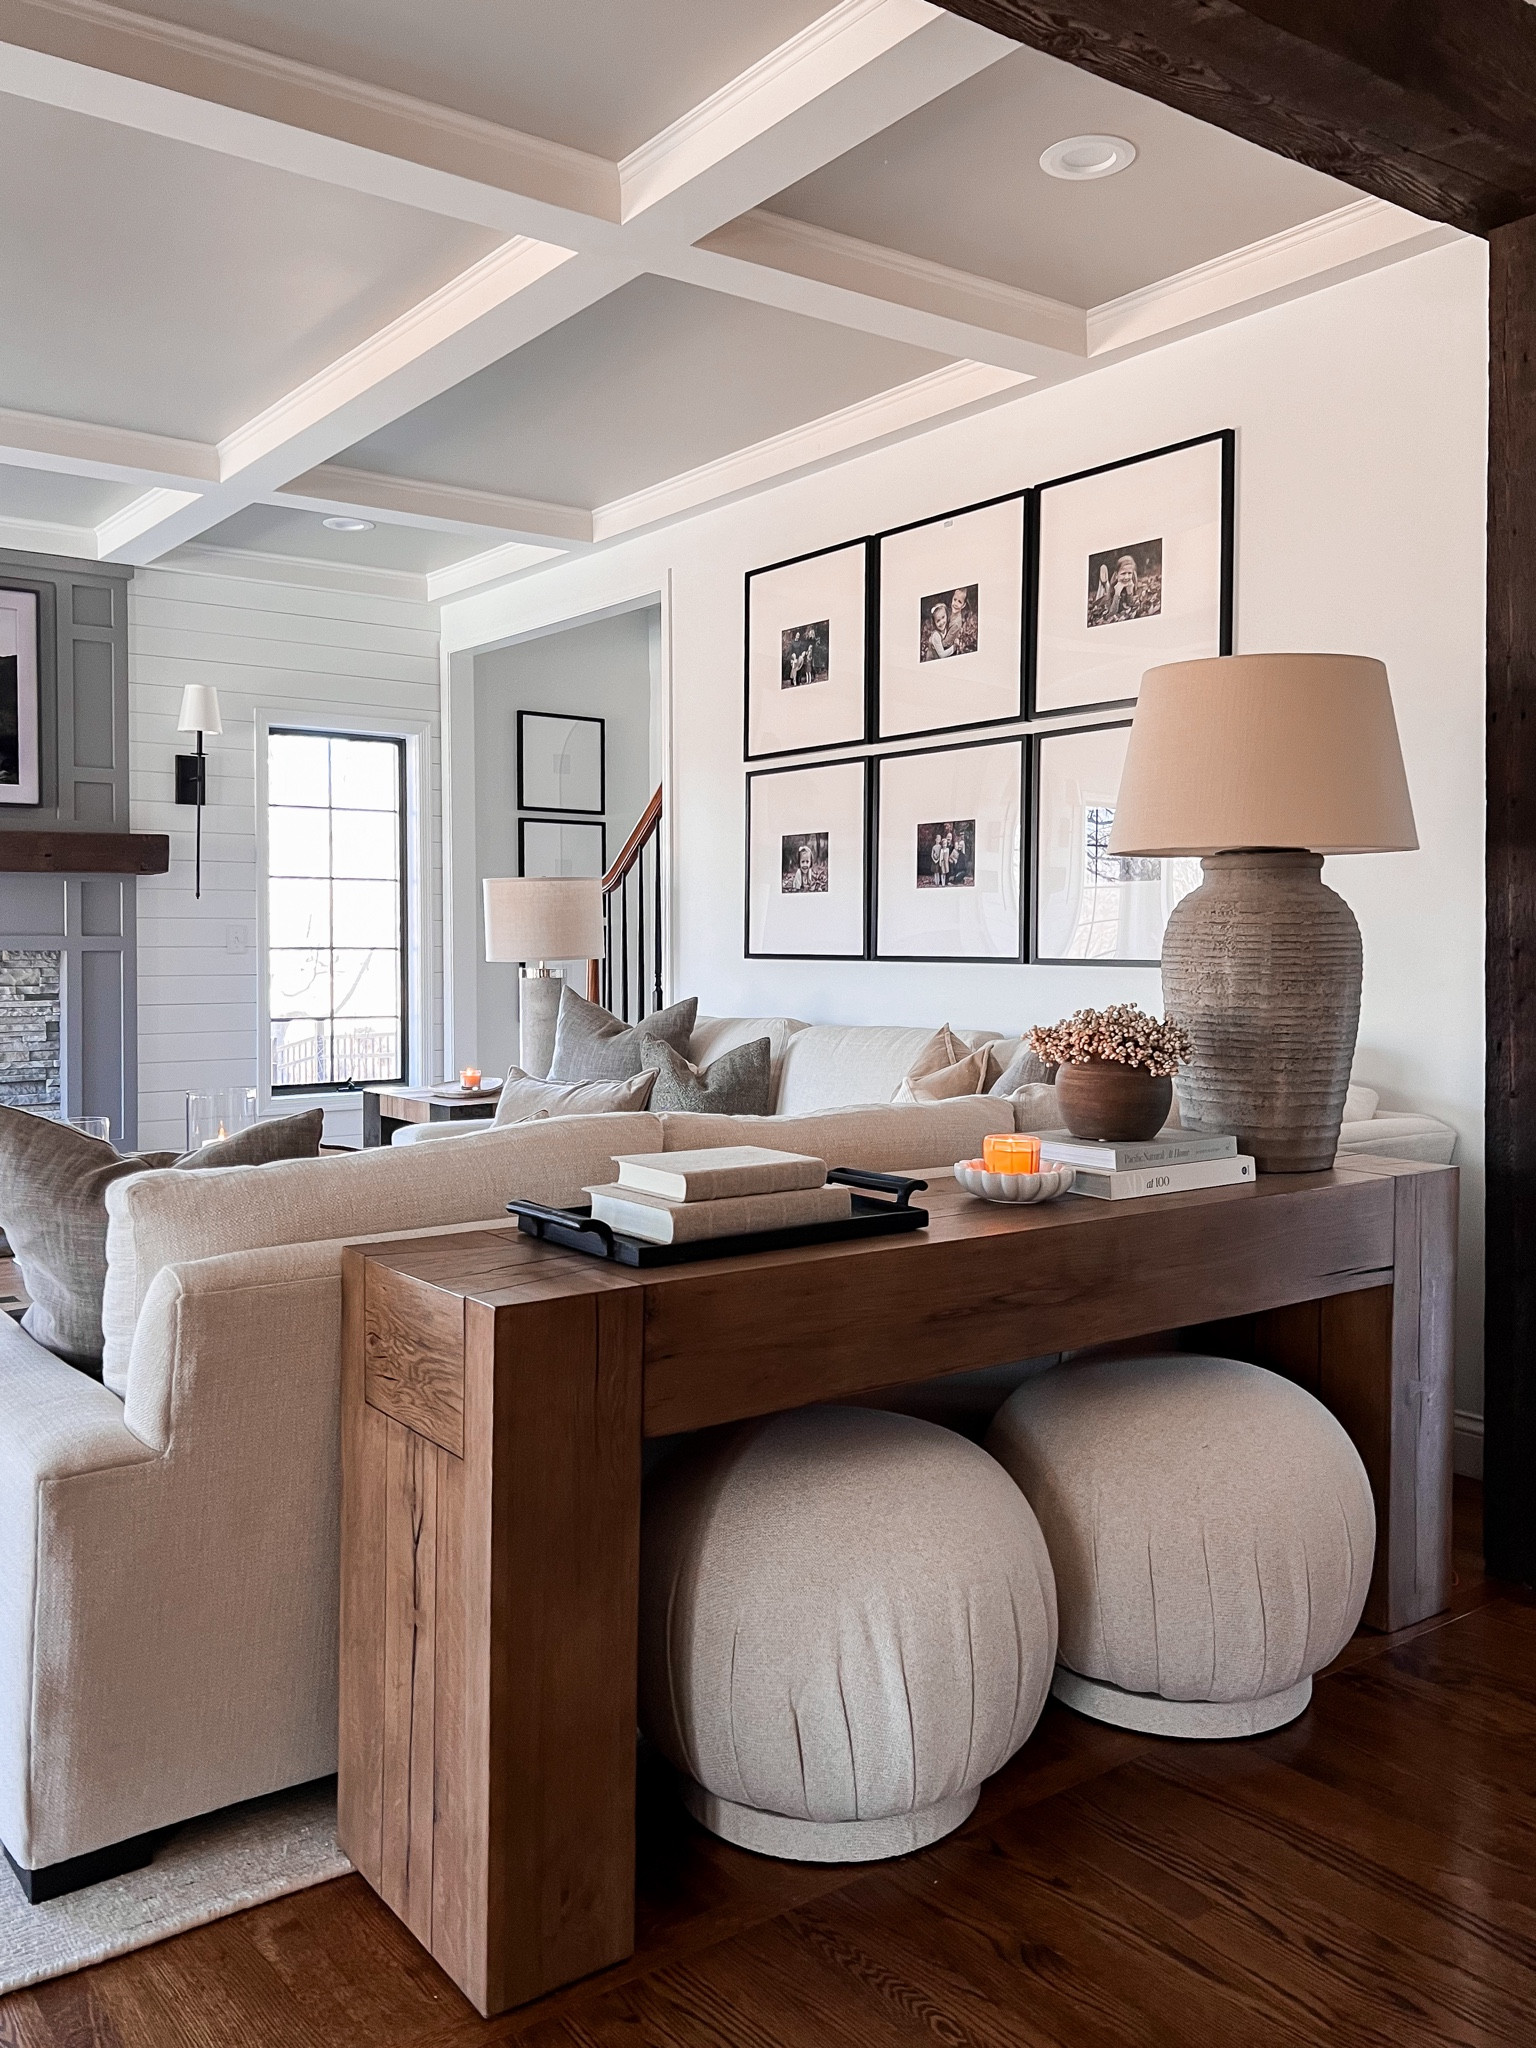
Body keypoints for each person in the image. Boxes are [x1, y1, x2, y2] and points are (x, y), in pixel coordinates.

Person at [1106, 553, 1141, 621]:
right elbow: (1111, 614)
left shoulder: (1134, 585)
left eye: (1129, 573)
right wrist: (1117, 594)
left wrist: (1129, 593)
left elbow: (1132, 607)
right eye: (1123, 573)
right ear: (1116, 575)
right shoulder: (1112, 589)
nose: (1126, 577)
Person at [946, 587, 977, 656]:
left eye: (959, 602)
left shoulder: (959, 621)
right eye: (955, 600)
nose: (956, 604)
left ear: (963, 605)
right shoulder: (947, 613)